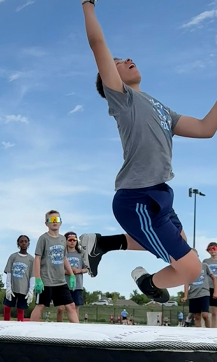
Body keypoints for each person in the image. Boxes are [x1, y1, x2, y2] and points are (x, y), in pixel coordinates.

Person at [79, 0, 216, 304]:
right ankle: (148, 283)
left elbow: (206, 128)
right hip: (138, 198)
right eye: (117, 62)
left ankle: (103, 243)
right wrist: (88, 4)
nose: (127, 59)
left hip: (160, 195)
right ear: (110, 78)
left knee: (180, 246)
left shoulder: (162, 109)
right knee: (191, 268)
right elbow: (97, 44)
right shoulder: (122, 99)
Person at [30, 210, 79, 323]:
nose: (54, 222)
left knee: (71, 306)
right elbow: (37, 258)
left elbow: (64, 258)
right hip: (46, 280)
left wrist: (71, 274)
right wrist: (37, 279)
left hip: (60, 280)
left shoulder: (62, 239)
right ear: (46, 223)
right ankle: (30, 330)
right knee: (40, 306)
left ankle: (78, 332)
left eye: (56, 219)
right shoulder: (43, 238)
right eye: (51, 220)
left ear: (61, 222)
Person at [56, 232, 87, 322]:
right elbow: (56, 268)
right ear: (66, 241)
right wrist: (67, 272)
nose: (72, 242)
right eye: (70, 240)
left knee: (75, 309)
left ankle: (75, 327)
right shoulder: (62, 254)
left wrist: (79, 270)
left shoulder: (81, 254)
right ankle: (58, 326)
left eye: (74, 240)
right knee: (61, 308)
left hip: (77, 285)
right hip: (63, 284)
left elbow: (87, 269)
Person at [3, 235, 35, 322]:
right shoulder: (13, 257)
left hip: (24, 289)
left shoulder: (31, 259)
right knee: (7, 307)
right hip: (13, 288)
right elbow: (9, 273)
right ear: (18, 243)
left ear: (28, 243)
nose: (23, 243)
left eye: (25, 241)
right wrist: (8, 288)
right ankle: (5, 323)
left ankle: (20, 324)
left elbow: (32, 276)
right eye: (21, 241)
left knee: (20, 309)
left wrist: (31, 290)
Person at [181, 251, 217, 328]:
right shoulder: (188, 269)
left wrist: (215, 291)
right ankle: (199, 332)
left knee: (205, 315)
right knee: (197, 316)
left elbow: (213, 278)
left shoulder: (204, 266)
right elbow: (186, 283)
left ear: (197, 255)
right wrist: (185, 296)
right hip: (193, 295)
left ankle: (208, 331)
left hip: (204, 293)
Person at [203, 242, 217, 328]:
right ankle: (210, 330)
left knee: (215, 313)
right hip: (209, 287)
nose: (212, 251)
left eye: (214, 248)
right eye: (210, 249)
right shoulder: (206, 262)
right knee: (210, 312)